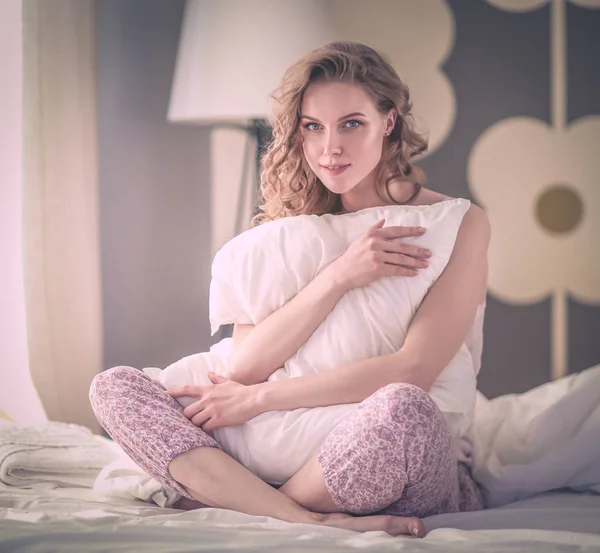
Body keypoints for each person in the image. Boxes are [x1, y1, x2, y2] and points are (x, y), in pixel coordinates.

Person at [90, 41, 490, 538]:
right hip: (283, 455)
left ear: (388, 122)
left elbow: (414, 371)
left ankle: (243, 501)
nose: (331, 148)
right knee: (115, 388)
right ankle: (299, 516)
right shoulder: (288, 232)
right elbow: (244, 367)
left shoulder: (460, 223)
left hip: (406, 465)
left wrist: (257, 402)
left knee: (405, 412)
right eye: (313, 127)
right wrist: (339, 275)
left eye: (351, 123)